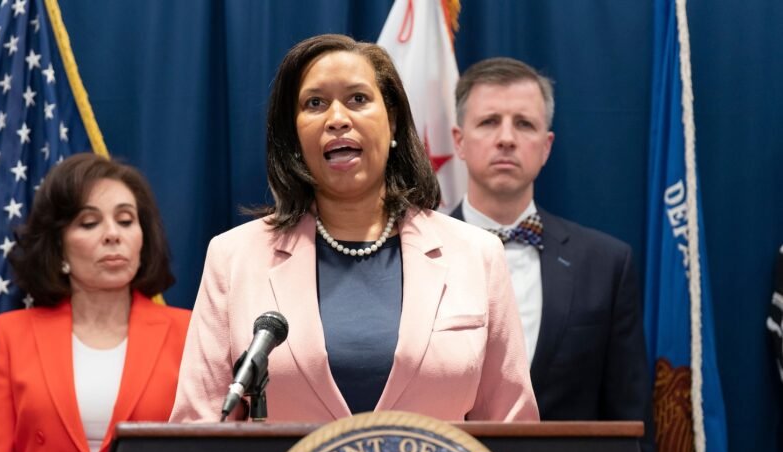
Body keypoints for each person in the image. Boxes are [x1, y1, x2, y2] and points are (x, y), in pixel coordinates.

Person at [171, 34, 538, 423]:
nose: (337, 119)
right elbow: (199, 425)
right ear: (294, 135)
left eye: (358, 99)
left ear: (392, 120)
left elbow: (511, 427)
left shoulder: (477, 254)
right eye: (315, 103)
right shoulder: (234, 257)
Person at [449, 57, 655, 452]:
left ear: (546, 146)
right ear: (459, 141)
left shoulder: (606, 265)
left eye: (524, 124)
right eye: (489, 122)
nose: (506, 138)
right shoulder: (409, 254)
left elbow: (629, 423)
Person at [0, 153, 191, 452]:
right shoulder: (10, 335)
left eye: (126, 220)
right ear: (59, 247)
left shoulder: (188, 332)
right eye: (89, 223)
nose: (112, 234)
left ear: (143, 239)